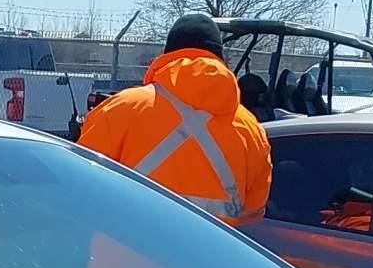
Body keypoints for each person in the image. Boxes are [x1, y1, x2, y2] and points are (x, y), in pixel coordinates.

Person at [75, 13, 271, 224]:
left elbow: (78, 186)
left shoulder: (122, 107)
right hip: (207, 256)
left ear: (168, 54)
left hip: (121, 254)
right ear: (219, 58)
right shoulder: (252, 130)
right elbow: (253, 213)